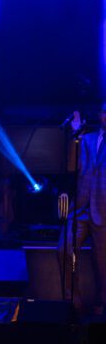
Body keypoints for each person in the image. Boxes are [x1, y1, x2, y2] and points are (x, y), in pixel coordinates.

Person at [59, 102, 106, 313]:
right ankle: (72, 300)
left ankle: (102, 304)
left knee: (102, 261)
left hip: (103, 208)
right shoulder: (86, 138)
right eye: (104, 112)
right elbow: (71, 166)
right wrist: (74, 133)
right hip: (80, 207)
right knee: (64, 249)